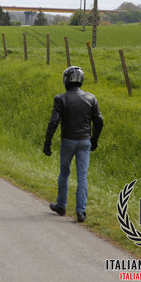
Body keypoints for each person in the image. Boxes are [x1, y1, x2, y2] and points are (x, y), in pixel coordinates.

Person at [44, 66, 104, 223]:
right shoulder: (91, 98)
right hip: (85, 141)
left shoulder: (60, 99)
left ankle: (61, 206)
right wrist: (94, 139)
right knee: (82, 175)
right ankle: (81, 212)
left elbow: (53, 122)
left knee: (65, 172)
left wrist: (47, 142)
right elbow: (99, 120)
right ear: (81, 80)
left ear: (66, 80)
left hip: (68, 141)